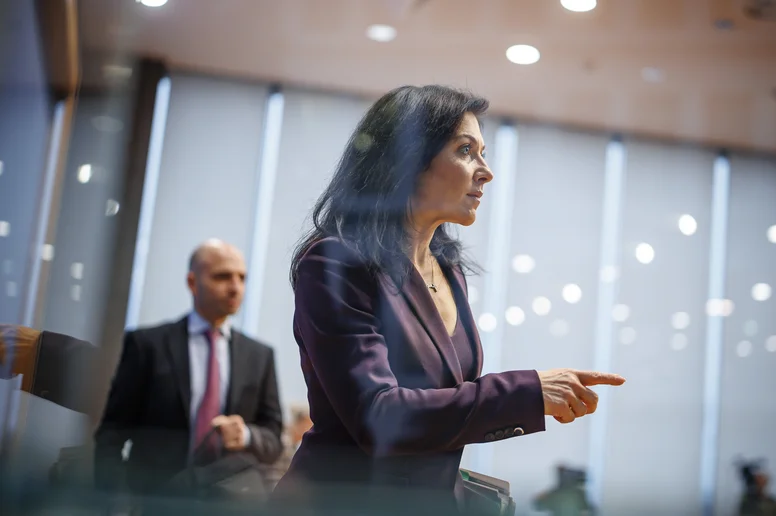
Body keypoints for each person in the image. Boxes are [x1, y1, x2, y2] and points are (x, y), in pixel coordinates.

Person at [272, 85, 626, 515]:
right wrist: (527, 391)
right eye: (466, 150)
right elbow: (378, 417)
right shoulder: (335, 260)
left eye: (483, 152)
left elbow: (439, 412)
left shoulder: (448, 266)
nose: (486, 171)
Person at [94, 239, 283, 499]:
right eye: (222, 277)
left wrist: (247, 435)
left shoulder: (260, 356)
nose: (235, 287)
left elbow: (274, 438)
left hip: (227, 499)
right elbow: (112, 435)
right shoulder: (148, 345)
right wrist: (111, 502)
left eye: (242, 278)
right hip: (155, 499)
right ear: (192, 283)